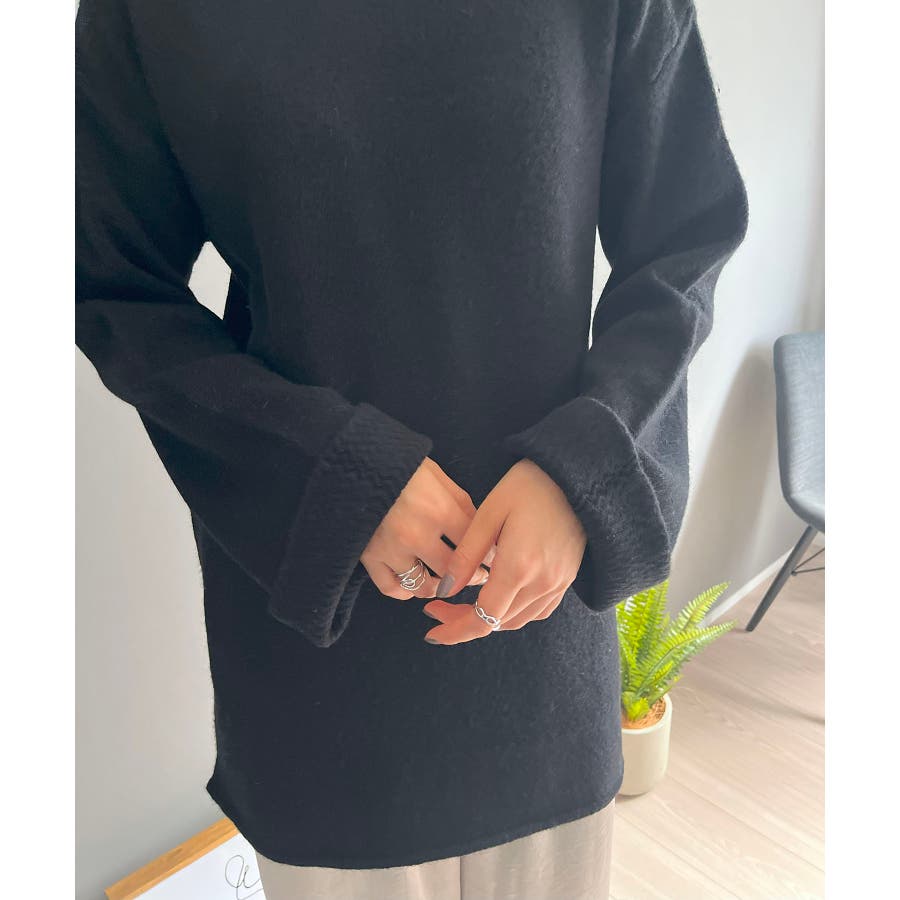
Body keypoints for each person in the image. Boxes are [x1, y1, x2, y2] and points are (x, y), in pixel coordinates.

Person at [75, 0, 749, 897]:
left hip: (541, 613)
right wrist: (330, 474)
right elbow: (105, 281)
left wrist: (586, 467)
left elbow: (685, 237)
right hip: (322, 635)